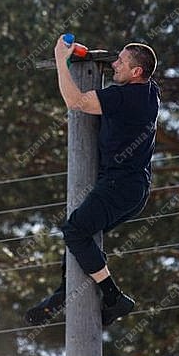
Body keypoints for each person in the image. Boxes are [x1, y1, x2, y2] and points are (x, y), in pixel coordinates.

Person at [25, 35, 160, 326]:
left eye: (121, 61)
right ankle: (65, 291)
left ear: (137, 72)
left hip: (119, 185)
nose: (115, 64)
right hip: (135, 189)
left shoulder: (123, 97)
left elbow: (75, 102)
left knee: (75, 230)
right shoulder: (150, 91)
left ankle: (113, 297)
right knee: (84, 232)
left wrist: (62, 60)